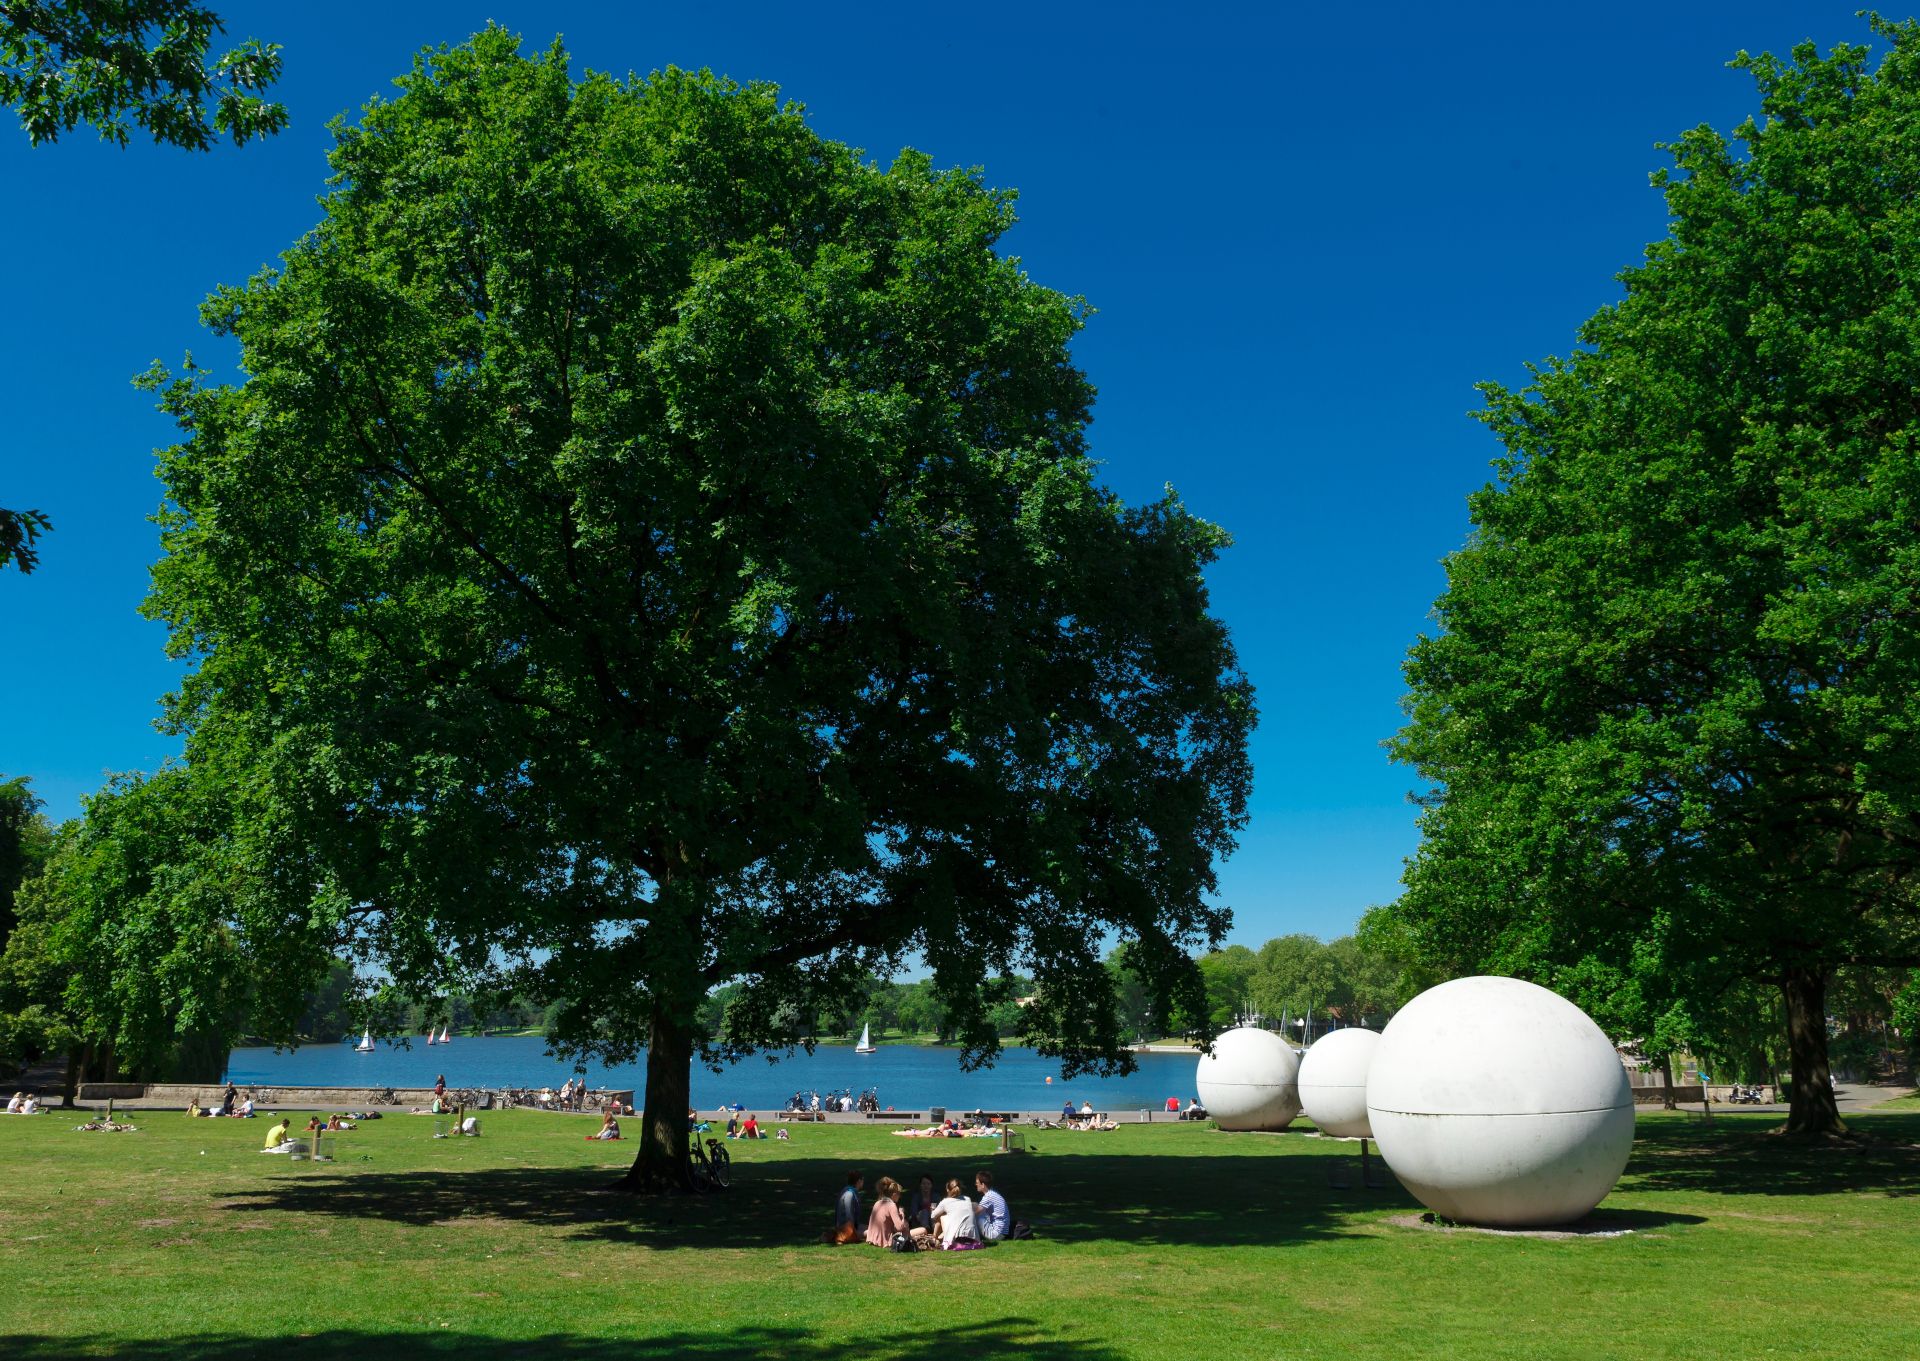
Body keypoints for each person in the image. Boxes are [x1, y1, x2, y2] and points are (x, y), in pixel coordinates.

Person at [930, 1177, 979, 1249]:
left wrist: (932, 1209)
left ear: (947, 1190)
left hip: (956, 1238)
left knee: (942, 1217)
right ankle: (938, 1238)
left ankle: (937, 1239)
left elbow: (933, 1216)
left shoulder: (945, 1201)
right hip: (973, 1238)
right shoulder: (967, 1199)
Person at [864, 1176, 910, 1247]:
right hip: (885, 1240)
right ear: (894, 1194)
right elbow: (899, 1228)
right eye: (899, 1194)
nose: (900, 1196)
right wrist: (902, 1214)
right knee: (908, 1227)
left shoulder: (877, 1203)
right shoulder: (892, 1205)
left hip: (872, 1238)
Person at [974, 1170, 1010, 1243]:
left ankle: (969, 1237)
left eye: (977, 1183)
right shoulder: (993, 1193)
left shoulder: (989, 1196)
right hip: (1002, 1232)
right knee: (974, 1205)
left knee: (973, 1215)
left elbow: (974, 1212)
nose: (976, 1184)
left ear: (983, 1185)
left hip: (996, 1235)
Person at [831, 1170, 864, 1245]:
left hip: (850, 1226)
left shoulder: (848, 1190)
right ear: (859, 1181)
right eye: (862, 1180)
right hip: (845, 1228)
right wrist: (853, 1231)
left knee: (872, 1229)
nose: (863, 1182)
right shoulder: (849, 1193)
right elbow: (849, 1216)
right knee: (871, 1232)